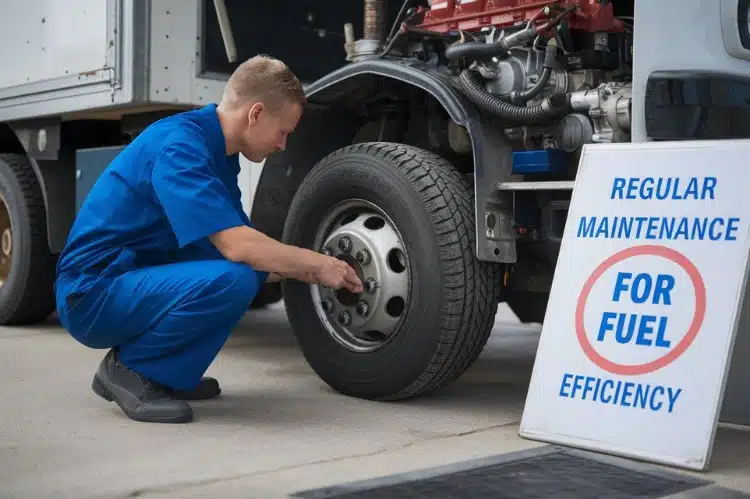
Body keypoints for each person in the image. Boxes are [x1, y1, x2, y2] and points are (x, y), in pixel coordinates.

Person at [54, 55, 363, 424]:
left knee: (242, 274)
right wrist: (317, 264)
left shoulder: (218, 153)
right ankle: (128, 370)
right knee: (236, 277)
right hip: (92, 294)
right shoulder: (181, 147)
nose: (283, 145)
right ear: (256, 113)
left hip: (129, 279)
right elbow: (240, 248)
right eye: (283, 132)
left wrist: (308, 271)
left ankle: (168, 373)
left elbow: (244, 249)